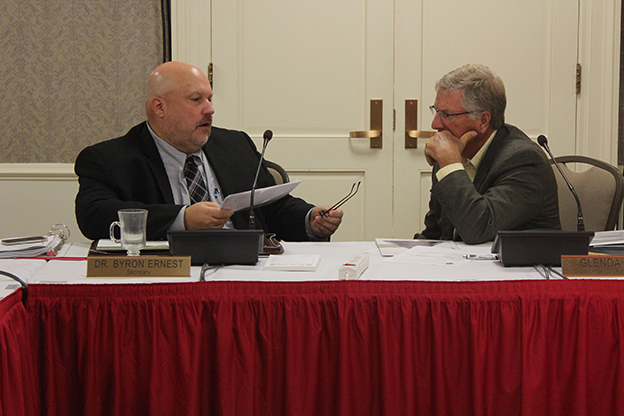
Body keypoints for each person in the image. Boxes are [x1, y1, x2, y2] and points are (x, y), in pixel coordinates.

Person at [75, 61, 343, 241]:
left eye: (210, 99)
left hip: (244, 274)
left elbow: (272, 208)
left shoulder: (235, 145)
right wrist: (182, 219)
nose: (210, 109)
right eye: (196, 100)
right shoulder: (109, 160)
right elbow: (95, 217)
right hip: (168, 279)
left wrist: (309, 219)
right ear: (159, 107)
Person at [415, 64, 560, 244]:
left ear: (483, 120)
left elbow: (478, 228)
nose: (435, 124)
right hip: (460, 267)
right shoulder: (453, 152)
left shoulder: (524, 161)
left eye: (446, 115)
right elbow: (434, 234)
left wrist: (450, 166)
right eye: (436, 111)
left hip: (518, 270)